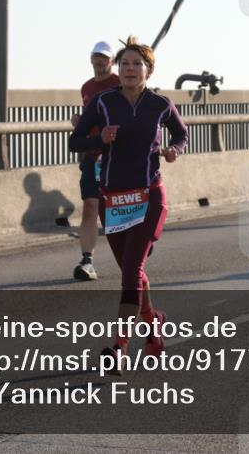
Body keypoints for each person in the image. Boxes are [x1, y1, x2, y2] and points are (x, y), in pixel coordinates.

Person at [69, 36, 187, 371]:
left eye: (137, 64)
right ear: (117, 70)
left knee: (132, 271)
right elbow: (74, 140)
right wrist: (98, 138)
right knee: (131, 272)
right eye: (125, 64)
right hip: (113, 200)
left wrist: (174, 151)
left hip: (149, 196)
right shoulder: (104, 101)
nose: (130, 69)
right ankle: (153, 323)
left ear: (149, 70)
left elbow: (181, 135)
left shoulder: (161, 104)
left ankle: (118, 345)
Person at [70, 41, 120, 280]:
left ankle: (135, 249)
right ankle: (87, 260)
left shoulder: (122, 83)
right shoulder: (86, 87)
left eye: (104, 58)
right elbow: (92, 118)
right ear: (91, 60)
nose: (100, 62)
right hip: (93, 155)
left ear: (111, 61)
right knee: (90, 206)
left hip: (118, 156)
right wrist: (80, 122)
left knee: (117, 209)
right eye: (96, 57)